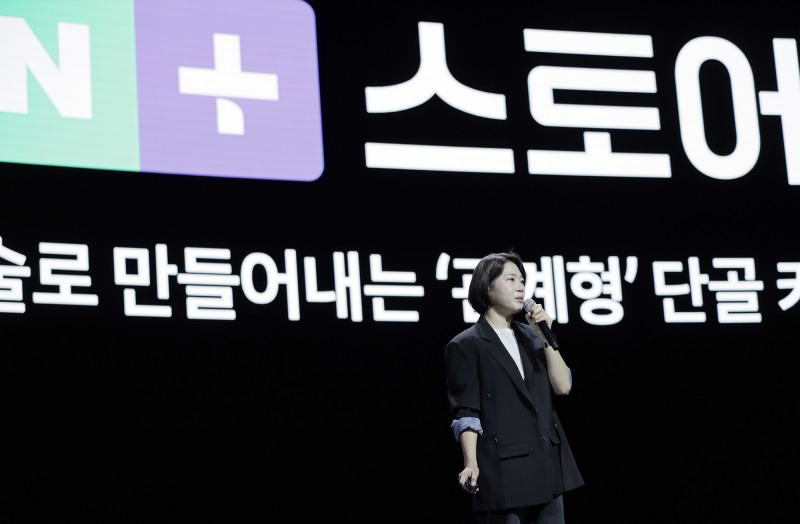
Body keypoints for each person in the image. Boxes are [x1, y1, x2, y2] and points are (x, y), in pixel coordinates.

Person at [444, 250, 584, 524]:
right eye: (510, 279)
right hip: (502, 469)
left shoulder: (533, 336)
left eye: (522, 281)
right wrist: (471, 462)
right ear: (487, 287)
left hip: (546, 462)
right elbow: (466, 412)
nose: (520, 287)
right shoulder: (466, 344)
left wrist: (544, 336)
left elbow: (563, 386)